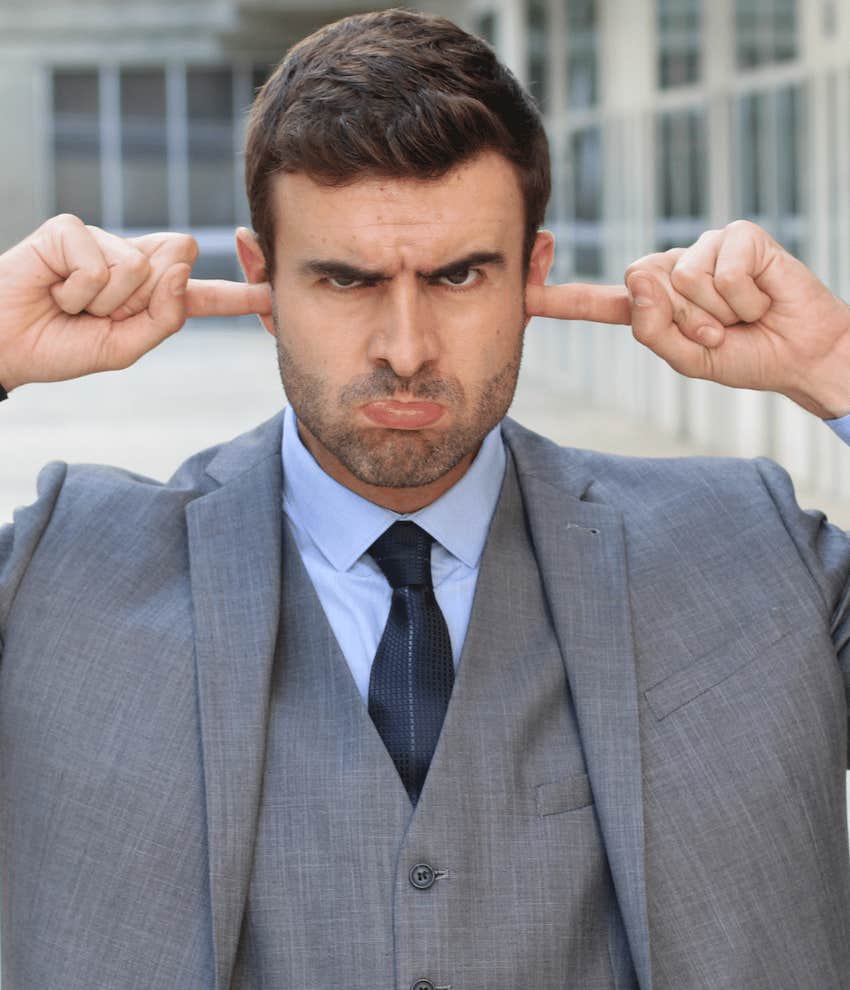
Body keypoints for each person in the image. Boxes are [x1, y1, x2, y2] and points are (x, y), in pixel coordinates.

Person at [0, 9, 849, 990]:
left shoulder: (747, 552)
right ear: (261, 276)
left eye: (457, 275)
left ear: (532, 273)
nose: (404, 348)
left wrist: (836, 367)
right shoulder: (56, 580)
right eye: (346, 279)